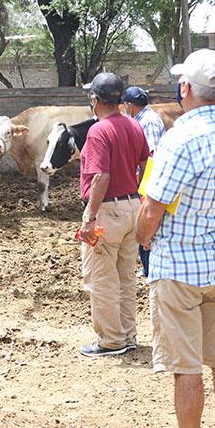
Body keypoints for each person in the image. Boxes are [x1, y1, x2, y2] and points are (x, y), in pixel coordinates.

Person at [136, 49, 215, 428]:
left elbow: (153, 206)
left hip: (181, 268)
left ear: (185, 87)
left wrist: (144, 239)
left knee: (185, 369)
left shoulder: (180, 138)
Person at [77, 72, 149, 357]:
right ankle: (128, 334)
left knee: (102, 277)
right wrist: (141, 197)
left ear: (95, 99)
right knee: (125, 276)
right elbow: (145, 163)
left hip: (107, 210)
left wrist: (89, 216)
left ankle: (110, 340)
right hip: (132, 206)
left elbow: (100, 176)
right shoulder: (133, 125)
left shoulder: (98, 130)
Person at [123, 86, 166, 278]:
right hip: (144, 178)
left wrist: (143, 185)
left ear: (130, 106)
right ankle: (146, 268)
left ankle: (150, 270)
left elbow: (151, 156)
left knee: (147, 222)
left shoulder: (148, 122)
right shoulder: (142, 119)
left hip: (148, 180)